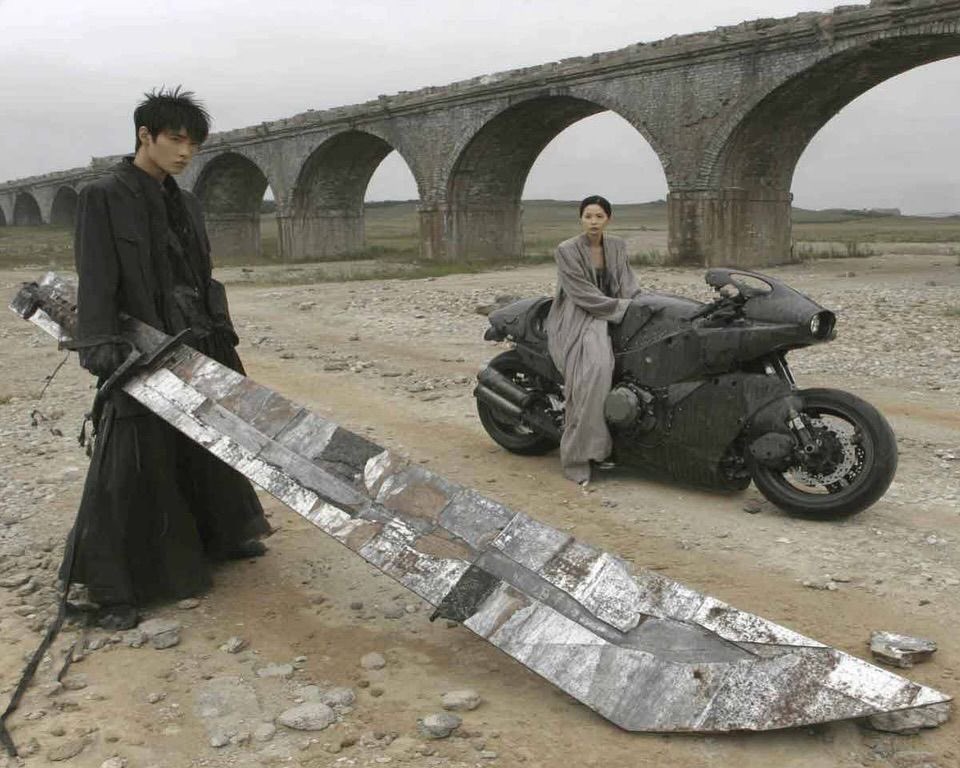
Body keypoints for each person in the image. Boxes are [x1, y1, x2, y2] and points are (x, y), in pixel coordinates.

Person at [65, 87, 270, 629]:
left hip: (197, 335)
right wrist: (100, 343)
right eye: (176, 139)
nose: (185, 152)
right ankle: (115, 584)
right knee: (136, 452)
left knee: (209, 437)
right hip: (139, 343)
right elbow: (95, 274)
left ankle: (220, 535)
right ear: (145, 135)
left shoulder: (188, 203)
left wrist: (220, 329)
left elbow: (201, 274)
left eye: (193, 144)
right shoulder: (103, 196)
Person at [544, 195, 641, 486]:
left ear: (608, 219)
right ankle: (578, 455)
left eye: (599, 216)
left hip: (613, 308)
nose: (593, 222)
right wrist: (621, 308)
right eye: (588, 216)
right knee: (595, 370)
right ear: (581, 219)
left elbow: (628, 283)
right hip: (579, 313)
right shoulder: (566, 250)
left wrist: (638, 305)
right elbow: (581, 293)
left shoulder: (617, 246)